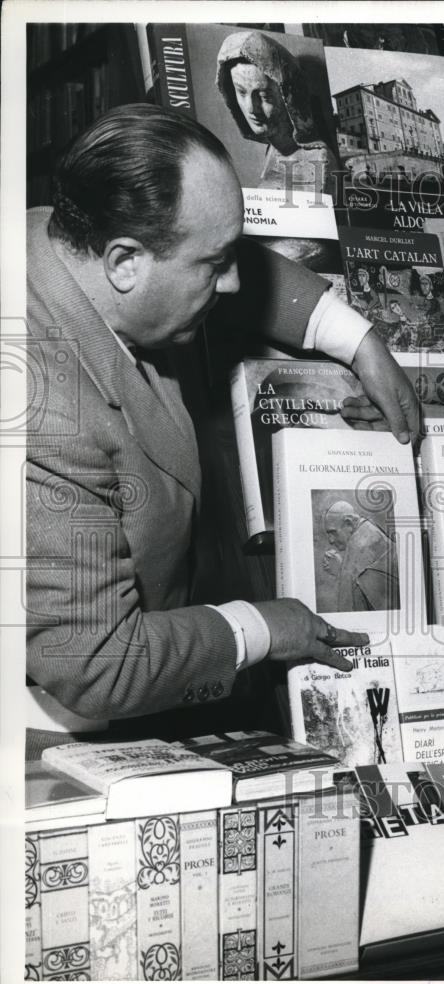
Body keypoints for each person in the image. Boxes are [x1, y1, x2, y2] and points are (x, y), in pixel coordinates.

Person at [26, 104, 418, 740]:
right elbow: (95, 664)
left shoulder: (58, 236)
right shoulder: (42, 412)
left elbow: (237, 263)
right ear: (124, 262)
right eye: (213, 266)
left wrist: (358, 339)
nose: (234, 283)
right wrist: (261, 627)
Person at [216, 30, 339, 197]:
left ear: (288, 96)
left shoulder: (318, 160)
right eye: (241, 92)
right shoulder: (273, 149)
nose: (251, 107)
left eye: (264, 96)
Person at [321, 500, 400, 612]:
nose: (331, 541)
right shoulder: (369, 531)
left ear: (348, 523)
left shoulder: (358, 546)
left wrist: (343, 572)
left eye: (333, 532)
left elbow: (347, 612)